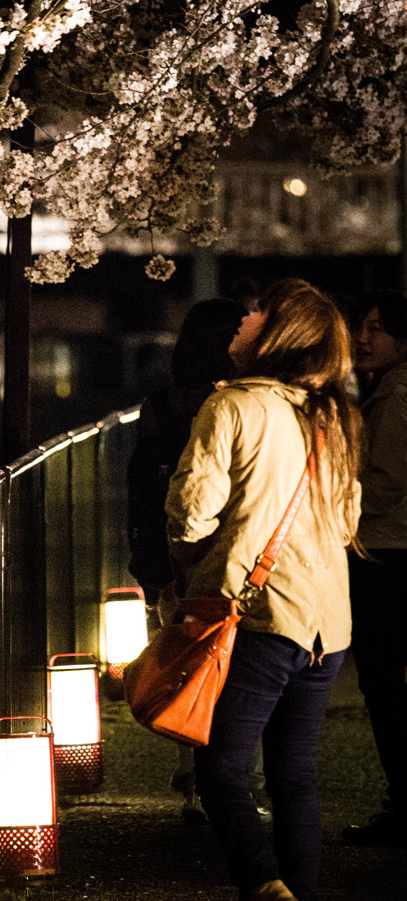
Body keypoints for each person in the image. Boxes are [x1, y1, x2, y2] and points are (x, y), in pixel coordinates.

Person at [165, 278, 362, 901]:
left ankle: (263, 882)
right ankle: (294, 888)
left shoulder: (231, 408)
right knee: (293, 775)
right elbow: (349, 519)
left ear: (276, 334)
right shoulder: (336, 416)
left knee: (220, 767)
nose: (243, 322)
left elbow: (191, 514)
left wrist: (198, 558)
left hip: (256, 614)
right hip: (326, 626)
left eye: (256, 315)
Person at [126, 296, 248, 823]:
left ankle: (194, 786)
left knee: (185, 673)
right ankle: (237, 788)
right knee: (237, 676)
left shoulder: (162, 405)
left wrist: (152, 564)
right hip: (228, 561)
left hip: (170, 562)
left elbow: (141, 491)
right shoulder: (238, 406)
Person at [341, 289, 407, 847]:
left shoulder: (394, 397)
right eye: (361, 327)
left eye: (376, 329)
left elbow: (385, 483)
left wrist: (340, 514)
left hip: (387, 553)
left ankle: (403, 804)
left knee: (385, 686)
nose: (363, 339)